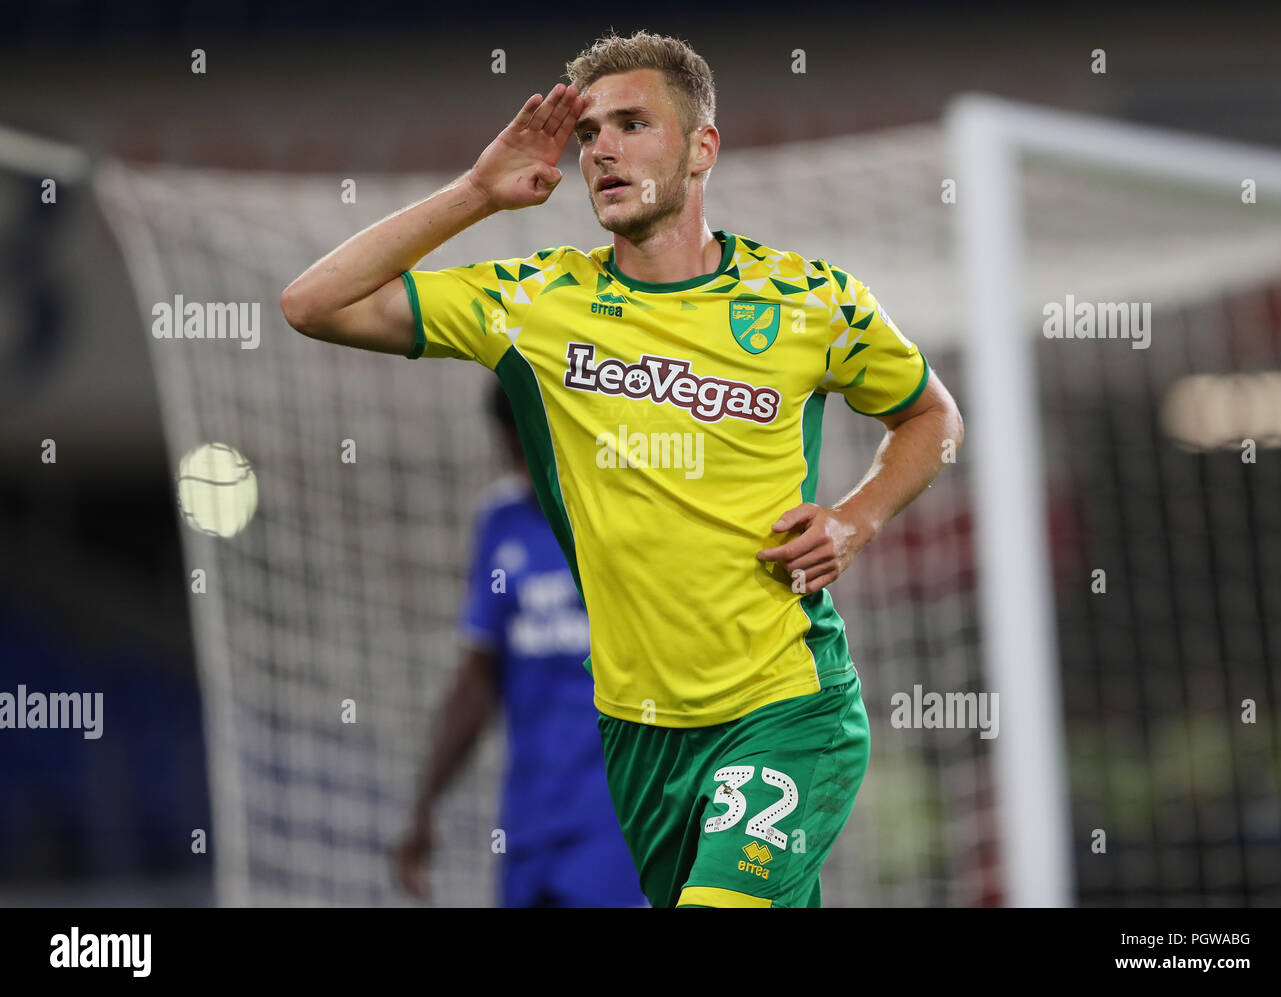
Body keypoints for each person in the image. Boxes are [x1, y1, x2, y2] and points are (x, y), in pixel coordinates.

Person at [282, 29, 964, 908]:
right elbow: (313, 303)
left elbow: (933, 416)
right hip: (639, 734)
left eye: (632, 123)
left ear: (702, 148)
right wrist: (476, 194)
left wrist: (856, 516)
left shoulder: (810, 299)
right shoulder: (535, 303)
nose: (600, 147)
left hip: (787, 709)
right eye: (589, 133)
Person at [393, 384, 644, 908]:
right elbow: (478, 676)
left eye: (536, 446)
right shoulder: (500, 523)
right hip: (527, 823)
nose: (524, 466)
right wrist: (427, 803)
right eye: (513, 451)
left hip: (618, 820)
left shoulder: (634, 518)